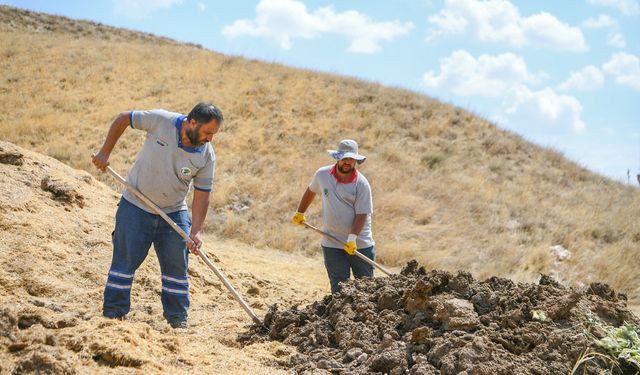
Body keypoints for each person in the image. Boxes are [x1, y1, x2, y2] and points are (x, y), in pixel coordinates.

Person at [92, 102, 223, 328]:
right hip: (136, 205)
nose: (210, 138)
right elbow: (124, 117)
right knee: (124, 262)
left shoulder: (206, 156)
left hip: (173, 212)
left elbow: (202, 195)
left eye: (213, 134)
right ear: (192, 123)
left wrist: (196, 231)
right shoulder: (161, 121)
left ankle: (177, 321)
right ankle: (113, 316)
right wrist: (105, 152)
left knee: (176, 269)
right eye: (207, 132)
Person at [292, 139, 375, 294]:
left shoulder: (361, 184)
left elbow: (362, 214)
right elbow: (311, 191)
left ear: (355, 161)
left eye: (351, 159)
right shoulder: (322, 175)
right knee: (339, 289)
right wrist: (300, 212)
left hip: (360, 244)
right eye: (344, 158)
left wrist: (352, 238)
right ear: (337, 158)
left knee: (366, 290)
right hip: (332, 242)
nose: (347, 162)